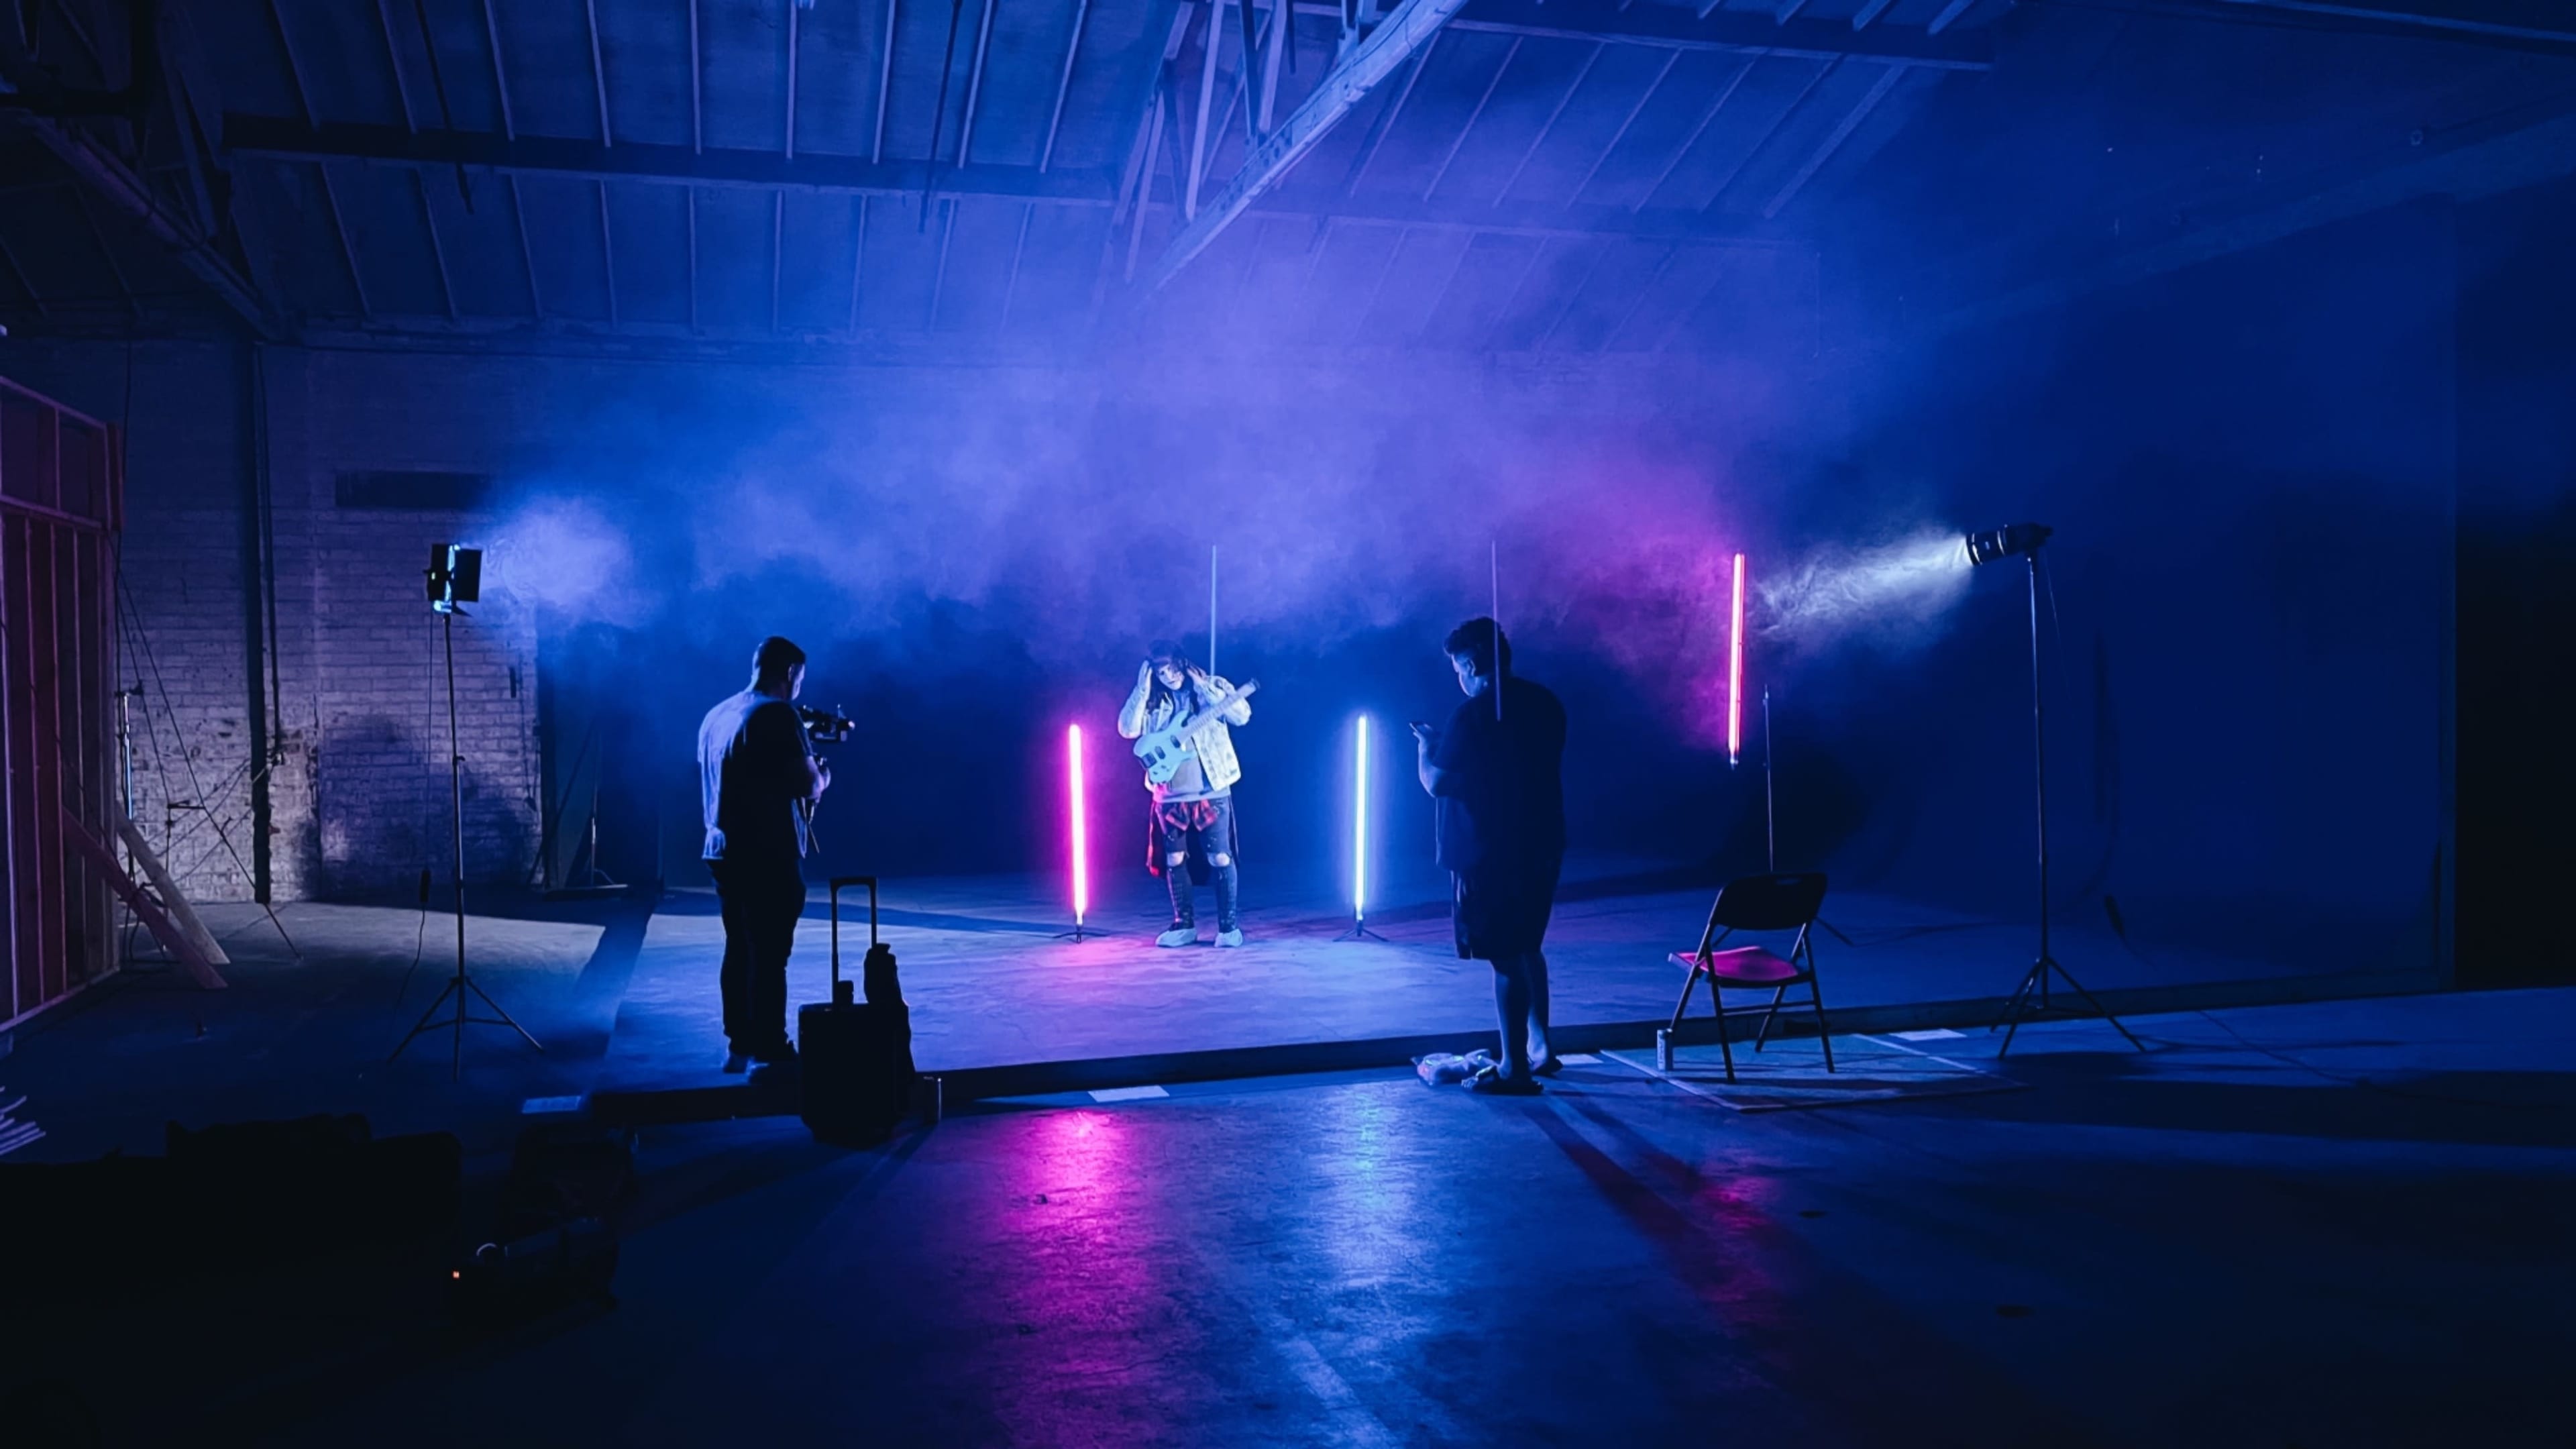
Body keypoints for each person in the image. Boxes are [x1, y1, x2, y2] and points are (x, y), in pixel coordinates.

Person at [1413, 618, 1566, 1095]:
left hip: (1486, 851)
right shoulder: (1545, 702)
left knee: (1504, 958)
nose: (1458, 677)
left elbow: (1438, 782)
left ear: (1473, 663)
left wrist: (1427, 748)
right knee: (1529, 948)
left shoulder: (1472, 715)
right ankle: (1541, 1049)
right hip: (1542, 843)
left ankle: (1513, 1069)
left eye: (1458, 667)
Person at [697, 635, 830, 1073]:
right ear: (789, 672)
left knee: (739, 948)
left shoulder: (717, 714)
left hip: (722, 848)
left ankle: (739, 1042)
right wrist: (822, 777)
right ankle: (771, 1046)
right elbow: (806, 783)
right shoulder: (777, 714)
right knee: (772, 954)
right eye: (800, 679)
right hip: (766, 850)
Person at [1118, 641, 1252, 948]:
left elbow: (1242, 715)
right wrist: (1142, 687)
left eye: (1172, 669)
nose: (1168, 676)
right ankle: (1184, 924)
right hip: (1169, 794)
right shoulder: (1153, 700)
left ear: (1183, 663)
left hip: (1211, 789)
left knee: (1219, 856)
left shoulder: (1212, 688)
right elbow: (1127, 729)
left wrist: (1204, 686)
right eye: (1160, 672)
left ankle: (1229, 928)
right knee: (1175, 858)